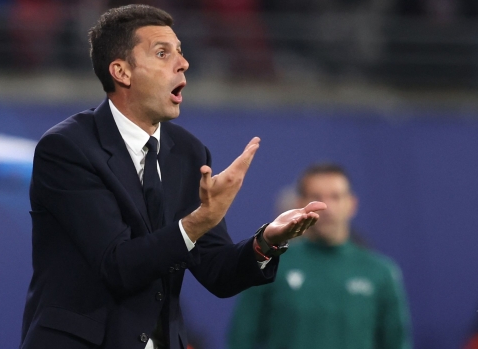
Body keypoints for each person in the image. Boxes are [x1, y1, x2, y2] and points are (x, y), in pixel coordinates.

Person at [19, 5, 326, 349]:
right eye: (163, 53)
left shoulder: (188, 152)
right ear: (122, 72)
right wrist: (197, 223)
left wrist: (266, 241)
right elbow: (117, 266)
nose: (183, 63)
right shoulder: (66, 149)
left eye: (180, 51)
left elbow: (216, 271)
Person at [227, 163, 412, 349]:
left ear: (352, 204)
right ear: (299, 205)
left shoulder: (380, 272)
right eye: (316, 198)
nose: (326, 207)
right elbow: (241, 339)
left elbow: (396, 343)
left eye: (336, 197)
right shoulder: (270, 265)